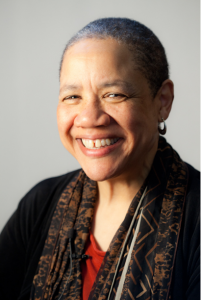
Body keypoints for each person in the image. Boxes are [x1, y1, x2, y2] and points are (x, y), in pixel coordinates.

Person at [0, 17, 201, 300]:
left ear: (163, 101)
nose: (89, 118)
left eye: (114, 94)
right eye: (72, 97)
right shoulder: (41, 203)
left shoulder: (196, 216)